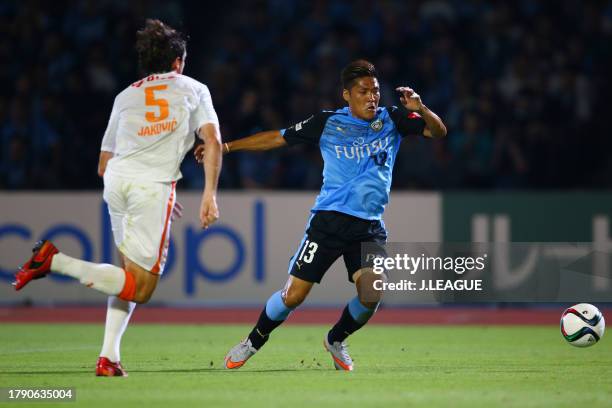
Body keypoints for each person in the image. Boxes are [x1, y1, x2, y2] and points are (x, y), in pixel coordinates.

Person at [196, 59, 446, 370]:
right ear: (346, 95)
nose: (372, 97)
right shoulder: (327, 122)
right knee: (293, 296)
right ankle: (253, 340)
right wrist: (226, 147)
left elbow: (438, 132)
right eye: (363, 91)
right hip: (329, 221)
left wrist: (421, 109)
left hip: (368, 226)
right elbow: (277, 137)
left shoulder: (393, 119)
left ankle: (336, 338)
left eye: (376, 91)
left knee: (372, 294)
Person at [13, 19, 222, 377]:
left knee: (127, 276)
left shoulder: (125, 95)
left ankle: (108, 357)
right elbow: (213, 141)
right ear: (177, 62)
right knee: (141, 289)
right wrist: (209, 194)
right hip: (150, 186)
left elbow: (102, 162)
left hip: (117, 181)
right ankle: (55, 261)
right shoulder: (194, 88)